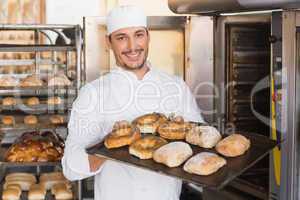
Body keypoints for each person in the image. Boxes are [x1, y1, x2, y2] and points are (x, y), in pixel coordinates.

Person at [62, 5, 204, 200]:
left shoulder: (176, 87)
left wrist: (184, 132)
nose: (132, 46)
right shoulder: (92, 93)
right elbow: (71, 167)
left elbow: (201, 147)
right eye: (121, 38)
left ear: (148, 36)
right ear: (108, 42)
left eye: (138, 35)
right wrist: (108, 144)